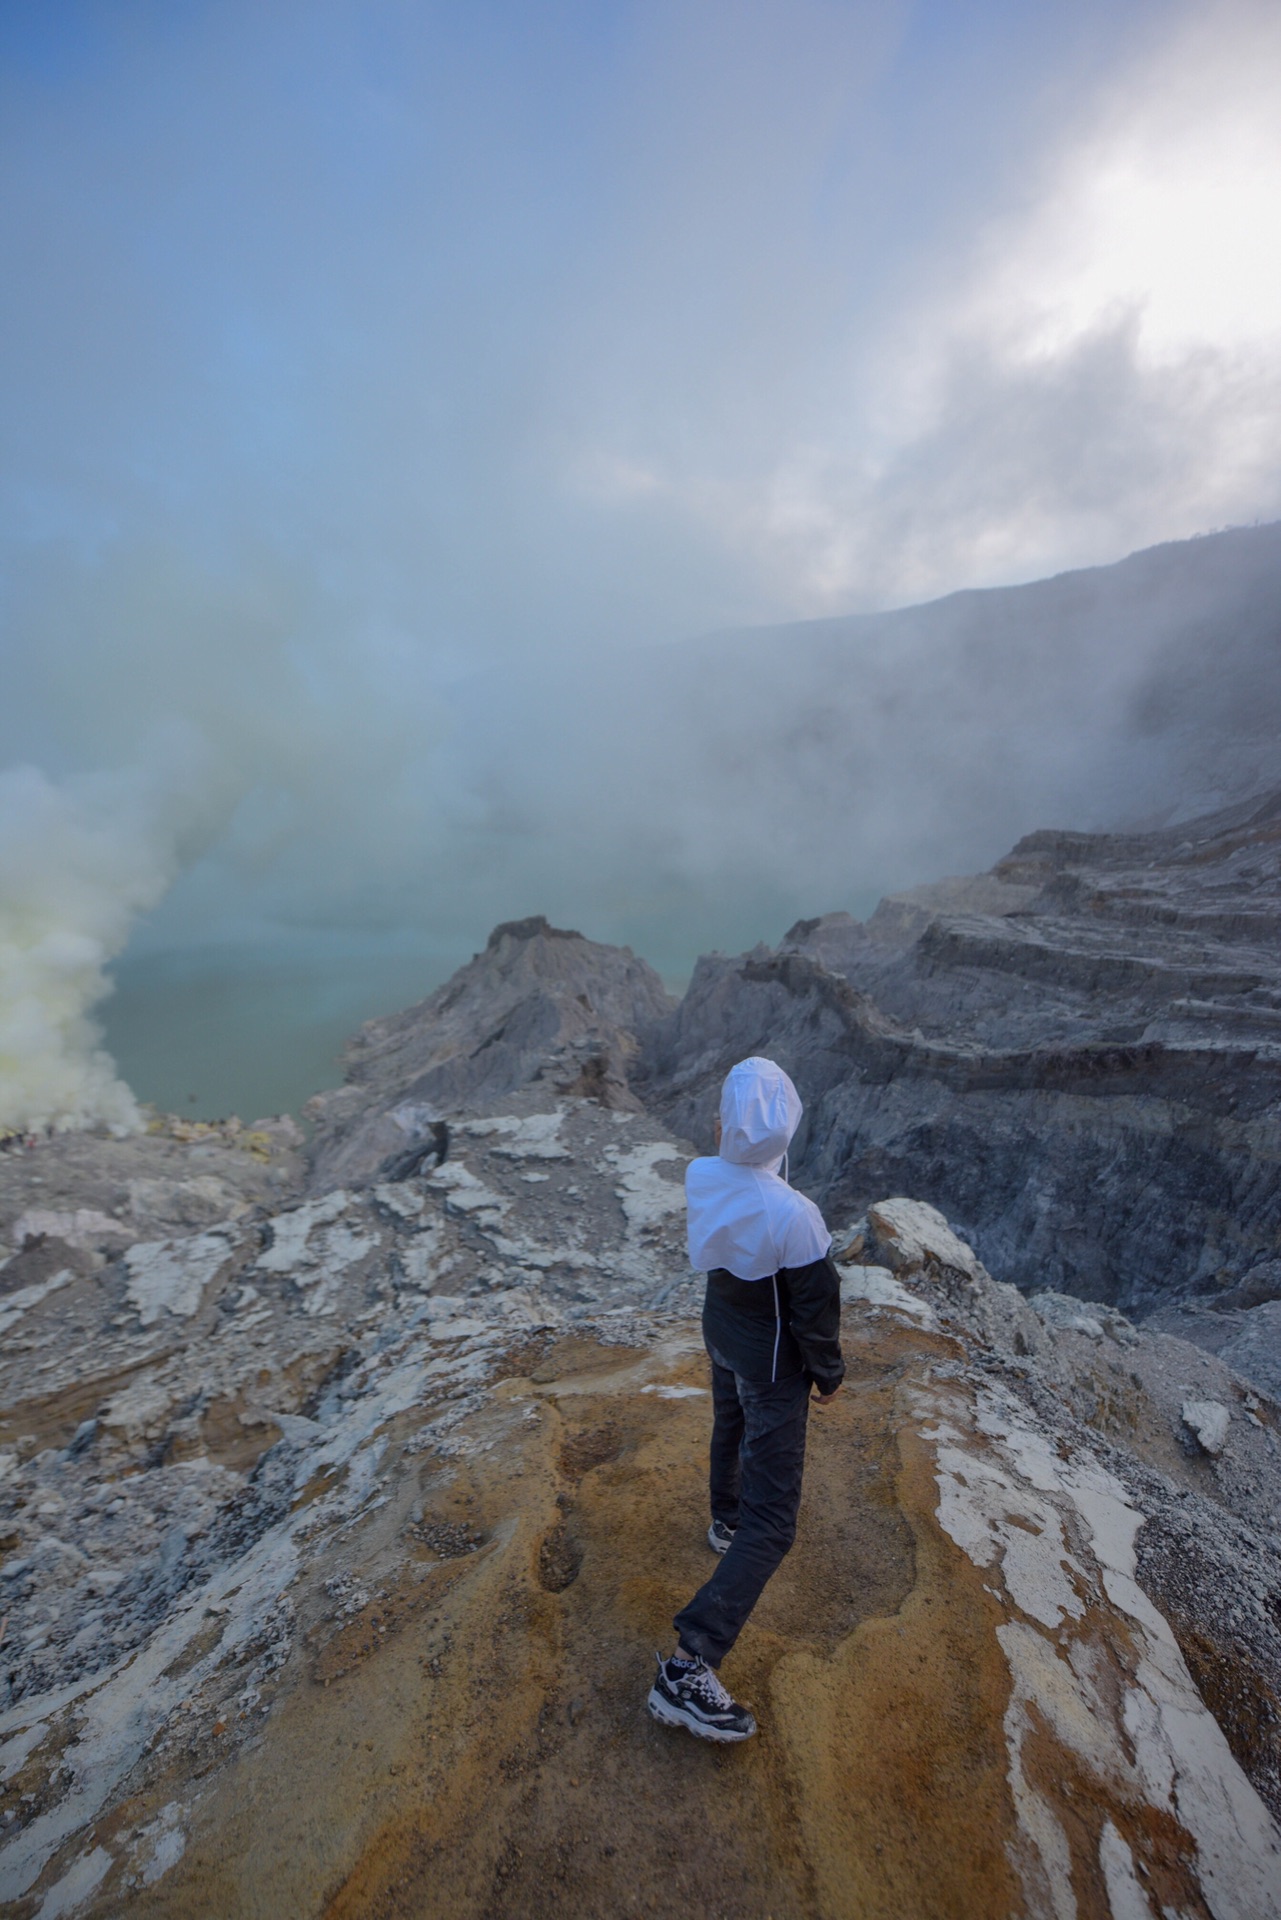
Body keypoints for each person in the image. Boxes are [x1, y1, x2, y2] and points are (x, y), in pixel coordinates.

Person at [647, 1056, 844, 1743]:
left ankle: (722, 1520)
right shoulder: (796, 1217)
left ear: (721, 1125)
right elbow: (815, 1310)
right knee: (775, 1524)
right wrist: (827, 1375)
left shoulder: (702, 1174)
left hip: (722, 1333)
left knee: (727, 1423)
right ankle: (687, 1668)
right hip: (770, 1362)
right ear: (788, 1129)